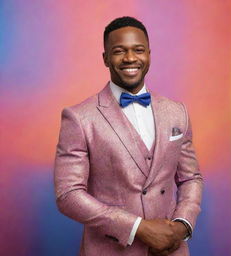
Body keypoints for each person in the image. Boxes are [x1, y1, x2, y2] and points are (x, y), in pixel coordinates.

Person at [54, 16, 203, 256]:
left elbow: (190, 178)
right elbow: (68, 194)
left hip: (170, 249)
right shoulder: (79, 118)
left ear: (149, 55)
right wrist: (138, 228)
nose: (130, 58)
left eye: (138, 50)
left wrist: (182, 225)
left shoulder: (177, 112)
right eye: (119, 51)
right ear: (105, 58)